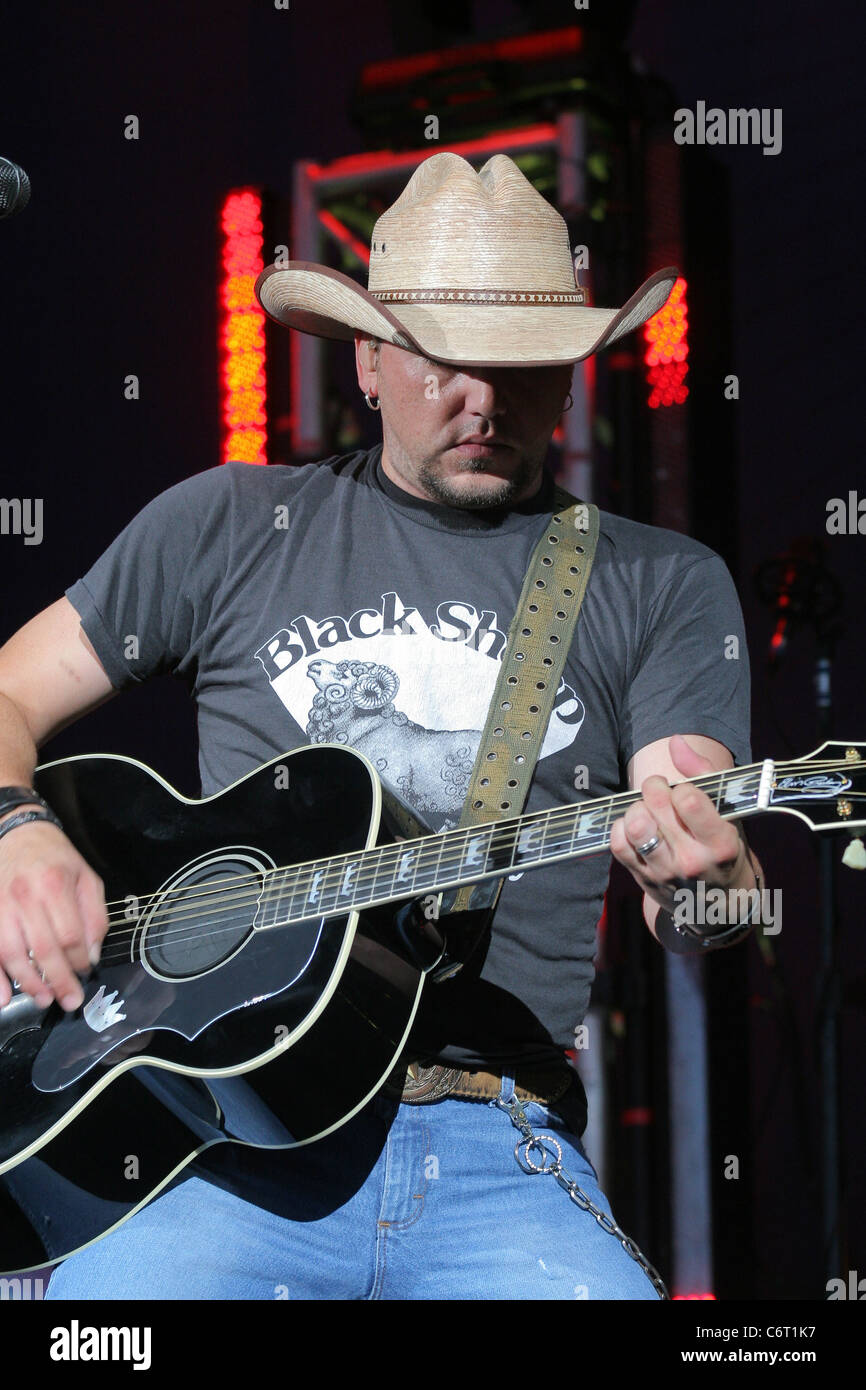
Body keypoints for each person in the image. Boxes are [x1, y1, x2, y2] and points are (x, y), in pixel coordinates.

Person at [0, 152, 763, 1300]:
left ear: (569, 378)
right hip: (214, 1147)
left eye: (518, 369)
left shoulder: (658, 582)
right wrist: (18, 832)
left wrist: (709, 882)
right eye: (442, 361)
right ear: (364, 356)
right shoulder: (227, 521)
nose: (480, 401)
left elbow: (702, 865)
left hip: (492, 1143)